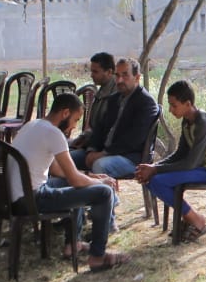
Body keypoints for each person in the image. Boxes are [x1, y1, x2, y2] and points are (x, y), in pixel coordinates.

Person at [9, 92, 127, 271]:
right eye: (75, 120)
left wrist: (92, 178)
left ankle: (73, 244)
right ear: (65, 113)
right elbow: (74, 179)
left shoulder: (33, 125)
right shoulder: (53, 133)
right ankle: (98, 256)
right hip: (31, 199)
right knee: (104, 193)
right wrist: (102, 183)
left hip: (17, 197)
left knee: (78, 183)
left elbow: (58, 171)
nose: (73, 127)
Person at [135, 80, 206, 242]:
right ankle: (190, 218)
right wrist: (154, 166)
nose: (170, 110)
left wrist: (155, 170)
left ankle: (196, 219)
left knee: (156, 180)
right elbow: (180, 154)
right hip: (198, 168)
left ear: (188, 104)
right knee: (152, 180)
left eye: (174, 105)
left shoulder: (203, 123)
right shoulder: (187, 121)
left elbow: (191, 163)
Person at [82, 57, 160, 179]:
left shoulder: (146, 103)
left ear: (137, 77)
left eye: (125, 75)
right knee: (67, 158)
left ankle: (104, 196)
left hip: (131, 158)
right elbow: (100, 129)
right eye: (117, 75)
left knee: (100, 165)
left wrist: (104, 154)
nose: (119, 80)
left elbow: (134, 140)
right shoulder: (113, 99)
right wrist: (92, 150)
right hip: (104, 152)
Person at [68, 52, 115, 158]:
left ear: (109, 72)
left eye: (95, 72)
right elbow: (94, 127)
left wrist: (89, 147)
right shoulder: (102, 90)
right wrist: (83, 137)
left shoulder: (115, 95)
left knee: (61, 161)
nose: (91, 75)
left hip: (100, 150)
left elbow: (105, 131)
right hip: (92, 144)